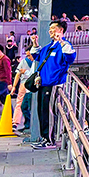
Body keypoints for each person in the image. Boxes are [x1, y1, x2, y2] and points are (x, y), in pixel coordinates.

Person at [30, 20, 77, 149]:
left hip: (53, 84)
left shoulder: (64, 45)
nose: (50, 30)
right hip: (43, 83)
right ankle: (44, 138)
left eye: (53, 28)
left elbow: (70, 58)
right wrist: (35, 43)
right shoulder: (49, 46)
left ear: (61, 30)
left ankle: (49, 140)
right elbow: (36, 55)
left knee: (48, 112)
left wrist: (61, 41)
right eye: (50, 28)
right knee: (42, 111)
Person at [11, 49, 35, 131]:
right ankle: (28, 124)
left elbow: (18, 74)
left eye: (29, 55)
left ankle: (15, 122)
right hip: (32, 85)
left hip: (24, 84)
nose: (28, 57)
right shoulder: (37, 61)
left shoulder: (24, 61)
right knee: (26, 105)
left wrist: (14, 86)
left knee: (20, 103)